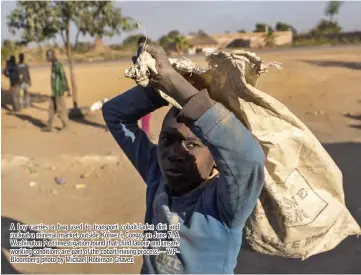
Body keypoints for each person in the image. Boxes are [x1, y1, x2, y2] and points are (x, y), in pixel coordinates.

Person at [102, 45, 265, 274]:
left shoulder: (225, 203)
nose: (174, 153)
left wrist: (175, 84)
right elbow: (114, 114)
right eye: (167, 140)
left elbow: (248, 159)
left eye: (192, 145)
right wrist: (157, 86)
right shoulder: (157, 174)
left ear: (217, 159)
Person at [42, 49, 71, 132]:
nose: (47, 57)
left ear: (52, 55)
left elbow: (63, 77)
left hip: (59, 91)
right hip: (54, 92)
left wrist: (67, 89)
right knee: (51, 109)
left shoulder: (58, 65)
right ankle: (49, 127)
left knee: (61, 109)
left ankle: (66, 126)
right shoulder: (53, 65)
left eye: (48, 56)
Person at [134, 36, 152, 137]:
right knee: (145, 110)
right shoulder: (139, 55)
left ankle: (144, 131)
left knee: (145, 111)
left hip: (146, 86)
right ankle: (144, 131)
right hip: (145, 86)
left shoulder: (141, 55)